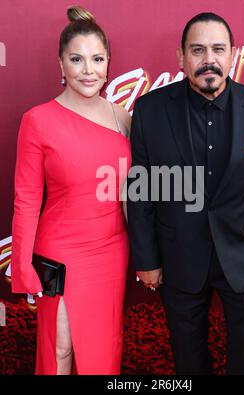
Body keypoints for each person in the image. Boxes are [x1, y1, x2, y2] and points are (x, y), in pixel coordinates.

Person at [127, 12, 244, 374]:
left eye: (218, 49)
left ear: (233, 54)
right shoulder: (150, 111)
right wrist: (147, 259)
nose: (209, 59)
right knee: (188, 361)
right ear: (181, 57)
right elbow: (141, 194)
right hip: (179, 257)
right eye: (198, 50)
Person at [11, 6, 131, 375]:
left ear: (109, 63)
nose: (88, 70)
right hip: (61, 251)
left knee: (104, 349)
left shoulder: (122, 117)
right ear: (61, 64)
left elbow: (134, 192)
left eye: (97, 59)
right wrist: (22, 264)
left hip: (112, 250)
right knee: (61, 347)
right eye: (76, 59)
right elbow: (27, 197)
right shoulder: (37, 120)